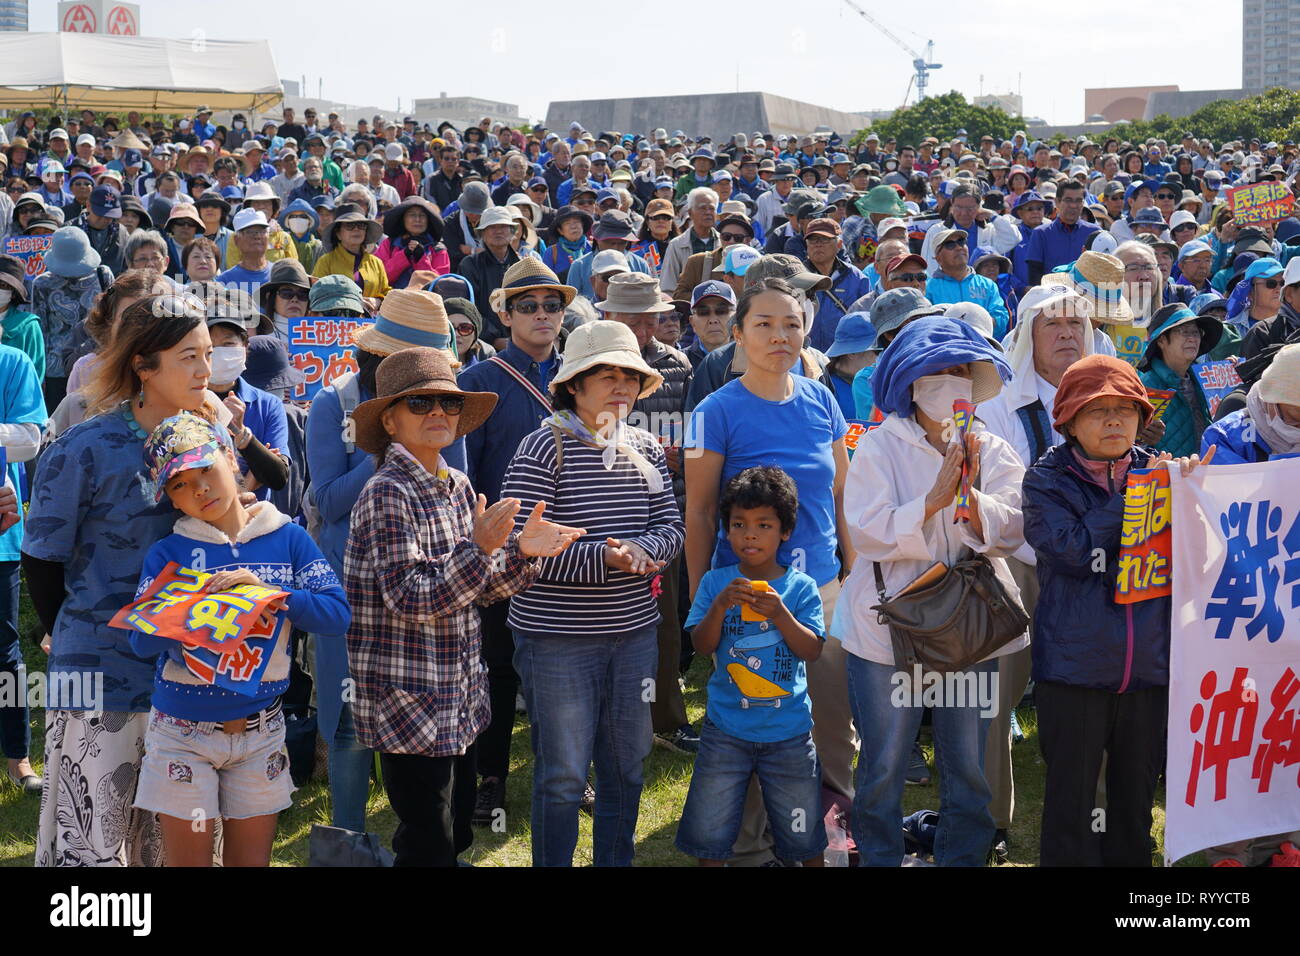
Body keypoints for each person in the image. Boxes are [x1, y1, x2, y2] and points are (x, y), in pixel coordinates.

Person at [345, 346, 580, 866]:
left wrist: (520, 552)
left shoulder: (456, 486)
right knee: (428, 842)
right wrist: (480, 550)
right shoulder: (388, 492)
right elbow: (410, 597)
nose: (438, 414)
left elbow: (480, 589)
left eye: (448, 405)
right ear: (389, 418)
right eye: (422, 403)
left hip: (456, 696)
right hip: (409, 702)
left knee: (455, 835)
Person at [23, 291, 231, 867]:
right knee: (92, 839)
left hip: (188, 671)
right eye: (189, 356)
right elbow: (42, 561)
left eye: (208, 354)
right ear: (143, 364)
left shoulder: (208, 441)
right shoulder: (82, 447)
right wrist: (69, 632)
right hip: (96, 671)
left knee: (176, 844)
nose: (205, 370)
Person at [835, 315, 1025, 866]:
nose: (951, 381)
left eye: (961, 370)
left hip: (970, 627)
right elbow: (867, 531)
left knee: (966, 761)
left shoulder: (990, 447)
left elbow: (1014, 528)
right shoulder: (879, 447)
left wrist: (971, 498)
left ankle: (960, 857)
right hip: (886, 629)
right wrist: (932, 501)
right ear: (911, 383)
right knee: (885, 762)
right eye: (936, 372)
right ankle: (879, 858)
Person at [499, 321, 684, 867]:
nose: (622, 386)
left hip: (634, 635)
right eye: (607, 375)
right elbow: (518, 542)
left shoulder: (648, 446)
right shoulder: (542, 445)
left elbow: (671, 525)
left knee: (627, 767)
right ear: (574, 385)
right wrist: (604, 557)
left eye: (630, 376)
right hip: (557, 639)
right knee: (562, 775)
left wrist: (648, 551)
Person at [130, 412, 350, 866]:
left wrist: (272, 595)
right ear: (169, 498)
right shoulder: (168, 553)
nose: (200, 489)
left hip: (263, 731)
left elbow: (337, 614)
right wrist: (186, 607)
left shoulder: (288, 537)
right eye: (180, 485)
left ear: (230, 458)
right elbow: (140, 644)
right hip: (181, 735)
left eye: (206, 470)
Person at [684, 276, 853, 865]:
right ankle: (751, 848)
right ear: (738, 334)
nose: (780, 335)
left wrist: (850, 574)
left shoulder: (822, 399)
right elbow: (701, 511)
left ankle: (829, 841)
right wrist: (702, 603)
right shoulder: (713, 410)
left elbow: (840, 493)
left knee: (830, 726)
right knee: (752, 720)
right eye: (764, 324)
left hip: (823, 590)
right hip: (747, 598)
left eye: (792, 324)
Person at [1022, 354, 1210, 866]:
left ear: (1142, 418)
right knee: (1071, 806)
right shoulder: (1046, 480)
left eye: (1124, 410)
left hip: (1149, 670)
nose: (1112, 422)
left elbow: (1204, 555)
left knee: (1135, 804)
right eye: (1097, 410)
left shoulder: (1165, 474)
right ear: (1068, 422)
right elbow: (1074, 552)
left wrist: (1193, 490)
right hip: (1075, 670)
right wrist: (1136, 493)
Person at [304, 286, 466, 835]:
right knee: (349, 723)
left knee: (434, 715)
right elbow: (325, 501)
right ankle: (349, 839)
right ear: (377, 360)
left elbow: (458, 490)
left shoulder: (444, 405)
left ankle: (432, 838)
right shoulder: (333, 404)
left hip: (428, 585)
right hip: (350, 594)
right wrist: (388, 440)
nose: (431, 396)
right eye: (411, 374)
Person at [457, 258, 573, 823]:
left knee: (565, 666)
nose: (543, 314)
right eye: (528, 305)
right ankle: (490, 779)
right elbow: (465, 474)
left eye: (552, 304)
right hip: (504, 549)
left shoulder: (582, 372)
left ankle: (570, 772)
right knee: (498, 668)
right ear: (504, 313)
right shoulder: (478, 381)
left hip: (571, 542)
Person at [676, 466, 828, 867]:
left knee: (803, 830)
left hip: (790, 731)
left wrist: (780, 615)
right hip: (726, 729)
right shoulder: (715, 583)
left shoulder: (800, 588)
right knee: (711, 829)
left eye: (764, 524)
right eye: (739, 524)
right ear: (727, 530)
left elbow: (812, 650)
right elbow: (701, 644)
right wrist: (721, 606)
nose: (750, 534)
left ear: (785, 531)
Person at [0, 336, 46, 793]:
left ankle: (18, 758)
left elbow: (31, 439)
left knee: (4, 652)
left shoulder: (11, 361)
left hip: (2, 531)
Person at [204, 287, 292, 499]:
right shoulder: (186, 401)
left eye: (228, 344)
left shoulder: (268, 404)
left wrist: (240, 431)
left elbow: (278, 476)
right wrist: (253, 474)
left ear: (245, 346)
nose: (220, 353)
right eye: (211, 346)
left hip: (257, 523)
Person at [30, 225, 115, 408]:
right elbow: (41, 332)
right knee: (58, 427)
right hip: (57, 370)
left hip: (96, 362)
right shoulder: (42, 283)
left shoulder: (103, 275)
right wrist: (40, 375)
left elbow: (114, 317)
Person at [1137, 303, 1223, 457]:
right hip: (1169, 474)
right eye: (1184, 332)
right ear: (1162, 341)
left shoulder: (1205, 379)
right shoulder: (1146, 387)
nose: (1192, 338)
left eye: (1196, 333)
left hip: (1204, 471)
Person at [925, 227, 1011, 339]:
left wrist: (976, 325)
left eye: (961, 242)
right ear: (938, 258)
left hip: (983, 346)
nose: (958, 247)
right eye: (950, 245)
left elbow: (1001, 317)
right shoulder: (928, 288)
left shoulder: (988, 285)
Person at [311, 205, 390, 299]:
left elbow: (385, 292)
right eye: (349, 225)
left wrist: (378, 300)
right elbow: (316, 294)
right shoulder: (326, 261)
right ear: (338, 234)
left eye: (361, 225)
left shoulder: (376, 262)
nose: (356, 229)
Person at [376, 196, 448, 289]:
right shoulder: (389, 244)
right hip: (391, 299)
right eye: (412, 215)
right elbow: (380, 278)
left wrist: (421, 259)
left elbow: (439, 285)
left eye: (422, 215)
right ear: (403, 219)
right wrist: (404, 255)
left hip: (426, 300)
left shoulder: (438, 248)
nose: (417, 219)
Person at [217, 209, 275, 298]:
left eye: (262, 231)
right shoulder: (224, 281)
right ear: (236, 240)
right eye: (250, 232)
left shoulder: (279, 274)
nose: (258, 236)